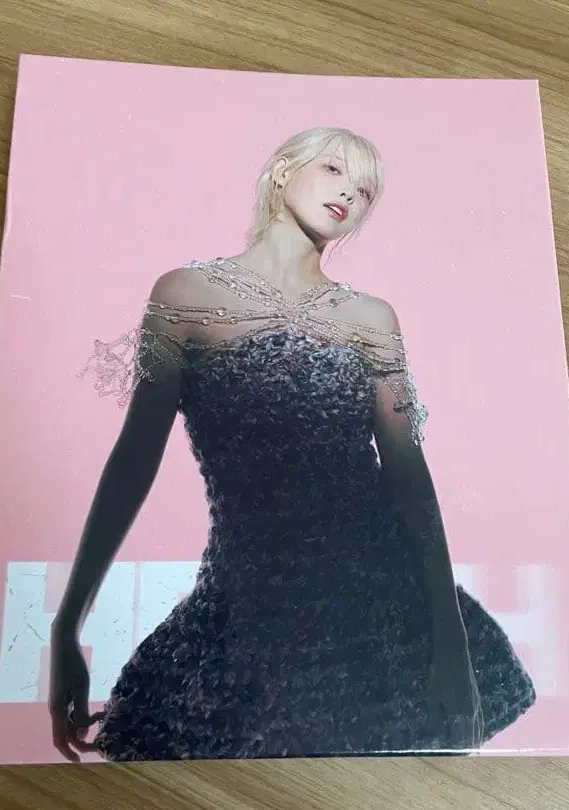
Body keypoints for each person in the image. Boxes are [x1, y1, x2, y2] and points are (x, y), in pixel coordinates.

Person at [48, 126, 536, 763]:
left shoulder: (370, 320)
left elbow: (410, 481)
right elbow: (133, 463)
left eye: (365, 191)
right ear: (282, 171)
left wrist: (451, 642)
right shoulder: (185, 296)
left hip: (386, 613)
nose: (350, 194)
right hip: (248, 607)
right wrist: (66, 627)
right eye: (334, 170)